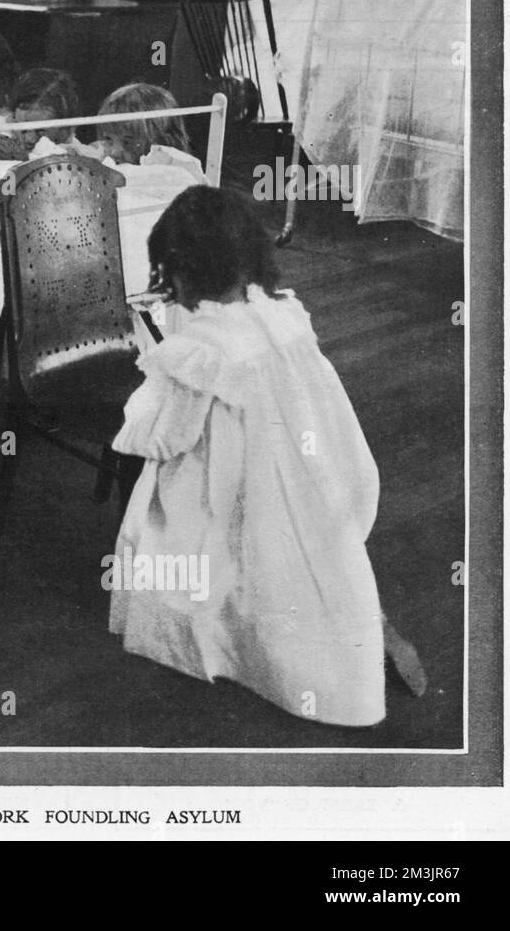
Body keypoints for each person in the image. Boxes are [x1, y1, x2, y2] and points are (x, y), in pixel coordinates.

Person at [108, 186, 426, 726]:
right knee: (311, 566)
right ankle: (371, 630)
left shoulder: (200, 348)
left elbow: (160, 437)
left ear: (177, 270)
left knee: (197, 538)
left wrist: (147, 383)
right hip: (303, 472)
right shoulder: (282, 314)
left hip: (234, 480)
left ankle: (223, 644)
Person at [0, 67, 85, 161]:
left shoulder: (77, 153)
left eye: (40, 131)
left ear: (66, 130)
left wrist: (24, 159)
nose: (29, 139)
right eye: (23, 129)